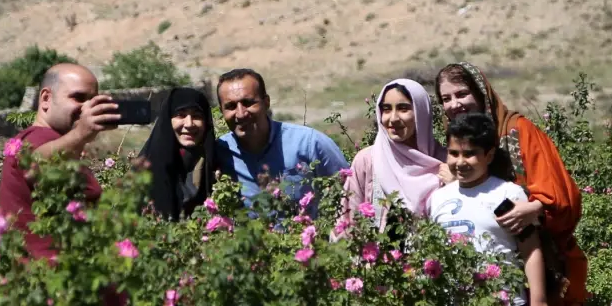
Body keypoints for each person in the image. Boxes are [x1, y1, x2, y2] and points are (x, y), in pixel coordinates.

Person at [436, 61, 595, 306]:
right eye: (446, 98)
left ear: (482, 92)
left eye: (462, 94)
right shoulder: (458, 146)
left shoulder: (520, 132)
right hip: (492, 277)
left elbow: (564, 198)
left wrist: (534, 208)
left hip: (545, 269)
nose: (456, 104)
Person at [427, 112, 548, 306]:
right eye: (453, 153)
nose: (460, 162)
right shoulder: (438, 198)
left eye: (470, 154)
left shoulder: (507, 194)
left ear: (489, 156)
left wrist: (538, 302)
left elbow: (530, 249)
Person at [0, 63, 119, 261]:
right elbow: (38, 163)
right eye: (78, 98)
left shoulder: (59, 142)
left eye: (92, 100)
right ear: (46, 98)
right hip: (47, 276)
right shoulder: (35, 138)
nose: (87, 108)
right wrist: (81, 134)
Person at [216, 68, 349, 212]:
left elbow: (349, 193)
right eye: (230, 106)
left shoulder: (309, 144)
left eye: (248, 103)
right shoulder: (219, 152)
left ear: (266, 103)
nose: (240, 114)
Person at [343, 78, 446, 232]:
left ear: (421, 112)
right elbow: (347, 222)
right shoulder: (368, 160)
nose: (393, 118)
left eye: (403, 109)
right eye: (386, 109)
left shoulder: (446, 161)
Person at [137, 87, 220, 221]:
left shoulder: (217, 162)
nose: (189, 124)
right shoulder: (148, 166)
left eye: (197, 116)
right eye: (180, 115)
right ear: (168, 120)